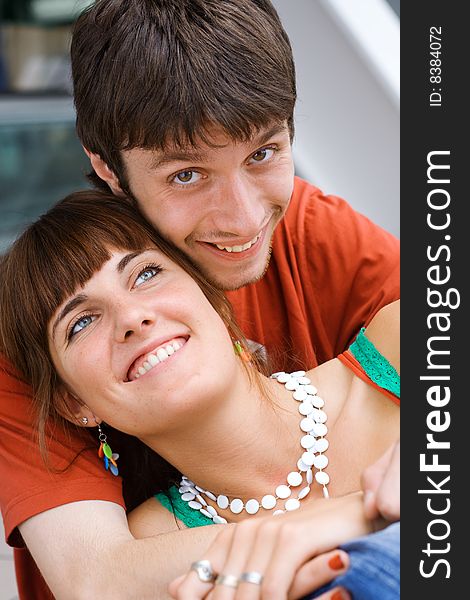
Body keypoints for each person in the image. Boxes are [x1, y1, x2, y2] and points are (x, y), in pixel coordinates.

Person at [0, 1, 399, 598]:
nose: (242, 219)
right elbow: (96, 579)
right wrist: (358, 517)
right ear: (107, 167)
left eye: (263, 153)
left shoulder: (308, 231)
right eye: (186, 174)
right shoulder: (23, 340)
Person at [0, 191, 400, 600]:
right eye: (82, 322)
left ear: (214, 298)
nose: (133, 319)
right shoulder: (146, 554)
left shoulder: (398, 346)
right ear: (76, 405)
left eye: (144, 274)